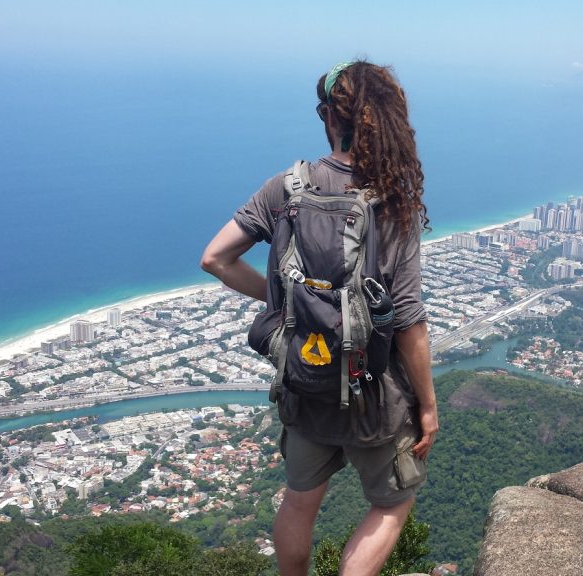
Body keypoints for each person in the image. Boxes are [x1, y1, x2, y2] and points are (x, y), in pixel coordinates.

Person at [200, 60, 438, 576]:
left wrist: (279, 300)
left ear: (328, 117)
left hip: (304, 381)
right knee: (394, 502)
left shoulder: (286, 189)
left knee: (299, 501)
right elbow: (408, 319)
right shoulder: (391, 200)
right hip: (374, 391)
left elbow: (215, 258)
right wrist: (428, 405)